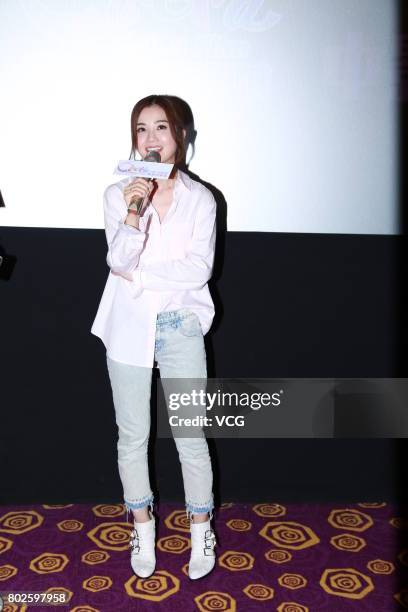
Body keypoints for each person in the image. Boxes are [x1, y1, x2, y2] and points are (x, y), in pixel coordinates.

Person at [91, 94, 217, 580]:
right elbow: (118, 261)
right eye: (141, 130)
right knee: (132, 436)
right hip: (127, 326)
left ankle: (200, 529)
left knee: (191, 436)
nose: (150, 139)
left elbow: (198, 268)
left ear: (180, 136)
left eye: (161, 128)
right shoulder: (117, 194)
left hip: (181, 324)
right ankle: (141, 528)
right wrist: (133, 211)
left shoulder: (200, 199)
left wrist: (142, 277)